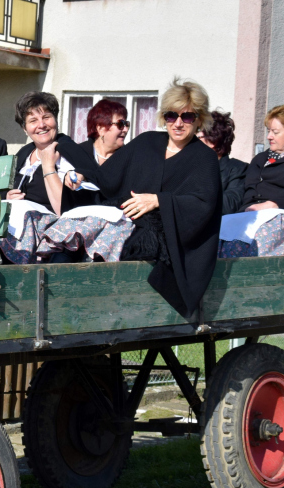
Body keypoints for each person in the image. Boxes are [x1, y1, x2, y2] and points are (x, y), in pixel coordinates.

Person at [74, 78, 221, 318]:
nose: (179, 124)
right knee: (79, 230)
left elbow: (204, 206)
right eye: (172, 116)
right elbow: (108, 179)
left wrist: (159, 201)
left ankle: (99, 305)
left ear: (199, 120)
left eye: (188, 117)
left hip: (165, 235)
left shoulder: (204, 158)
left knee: (123, 238)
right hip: (126, 218)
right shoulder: (147, 142)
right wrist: (78, 171)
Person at [6, 91, 108, 216]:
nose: (41, 125)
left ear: (55, 119)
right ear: (24, 128)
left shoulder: (69, 153)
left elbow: (64, 210)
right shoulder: (24, 153)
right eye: (33, 121)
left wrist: (48, 167)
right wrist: (9, 198)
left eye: (46, 117)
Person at [197, 110, 246, 215]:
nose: (192, 142)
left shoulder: (237, 169)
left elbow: (230, 205)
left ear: (213, 141)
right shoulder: (188, 166)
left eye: (198, 137)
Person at [81, 98, 130, 167]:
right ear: (101, 129)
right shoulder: (79, 154)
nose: (125, 129)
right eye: (120, 124)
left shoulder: (129, 159)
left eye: (126, 124)